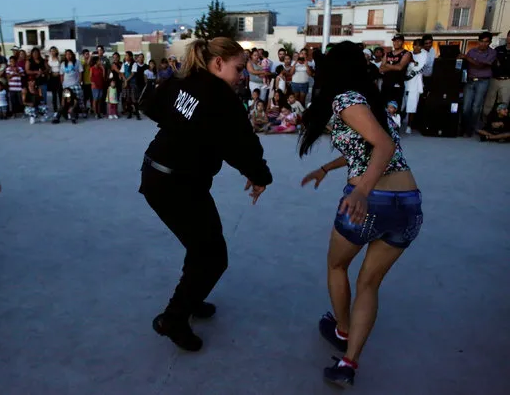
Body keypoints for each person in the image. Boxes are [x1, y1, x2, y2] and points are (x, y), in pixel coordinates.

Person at [298, 41, 423, 388]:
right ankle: (348, 364)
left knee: (337, 266)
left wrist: (362, 190)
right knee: (369, 283)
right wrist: (326, 167)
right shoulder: (370, 103)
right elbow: (366, 146)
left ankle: (342, 330)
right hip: (408, 204)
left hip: (372, 202)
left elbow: (381, 147)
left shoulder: (346, 100)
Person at [139, 37, 273, 352]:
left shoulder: (183, 80)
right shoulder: (222, 98)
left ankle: (191, 299)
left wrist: (181, 126)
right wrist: (259, 177)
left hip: (157, 175)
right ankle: (173, 319)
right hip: (177, 185)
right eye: (239, 68)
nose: (243, 75)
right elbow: (243, 145)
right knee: (213, 257)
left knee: (201, 246)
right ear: (217, 63)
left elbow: (151, 105)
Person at [459, 32, 497, 137]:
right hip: (470, 80)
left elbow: (481, 65)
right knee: (466, 106)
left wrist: (468, 58)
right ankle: (463, 127)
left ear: (490, 42)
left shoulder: (492, 53)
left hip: (483, 81)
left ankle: (471, 129)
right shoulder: (472, 51)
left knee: (476, 107)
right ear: (478, 41)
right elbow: (467, 64)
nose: (483, 44)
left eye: (486, 42)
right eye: (481, 41)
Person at [403, 39, 428, 134]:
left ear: (422, 47)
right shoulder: (409, 53)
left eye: (419, 45)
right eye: (415, 45)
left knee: (412, 104)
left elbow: (418, 67)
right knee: (402, 103)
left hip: (415, 82)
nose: (417, 47)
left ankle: (409, 125)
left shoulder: (424, 54)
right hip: (405, 82)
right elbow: (405, 66)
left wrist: (412, 64)